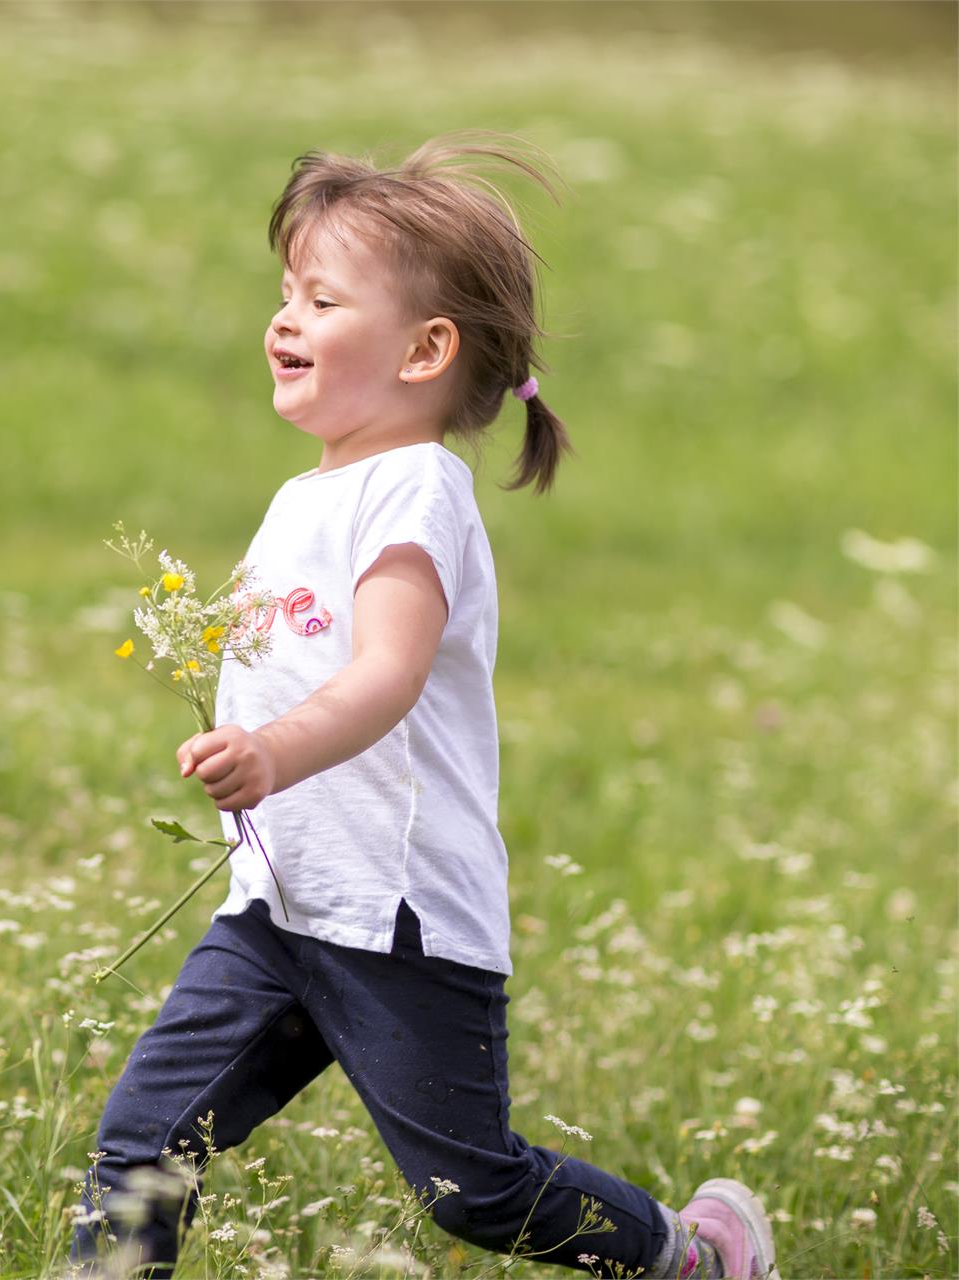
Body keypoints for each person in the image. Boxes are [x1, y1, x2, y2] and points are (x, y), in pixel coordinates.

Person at [69, 133, 780, 1280]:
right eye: (285, 292)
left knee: (473, 1189)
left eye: (322, 297)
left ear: (425, 349)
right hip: (280, 908)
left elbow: (386, 673)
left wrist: (270, 747)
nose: (284, 318)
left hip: (394, 919)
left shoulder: (418, 488)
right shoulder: (311, 489)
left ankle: (690, 1255)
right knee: (144, 1142)